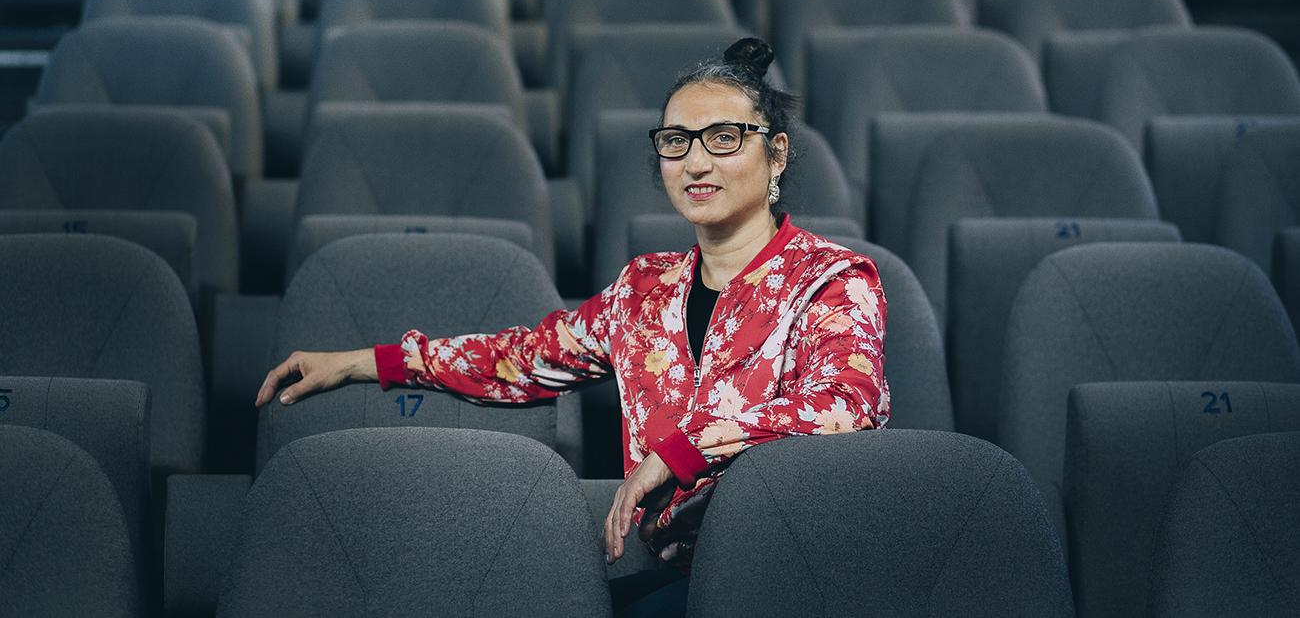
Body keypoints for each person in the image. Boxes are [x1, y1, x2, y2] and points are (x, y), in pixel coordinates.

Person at [255, 37, 890, 616]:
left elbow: (844, 407)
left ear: (775, 155)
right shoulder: (644, 288)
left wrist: (675, 455)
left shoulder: (835, 279)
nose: (696, 163)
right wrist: (367, 361)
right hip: (675, 577)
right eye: (676, 142)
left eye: (724, 138)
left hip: (797, 574)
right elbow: (523, 358)